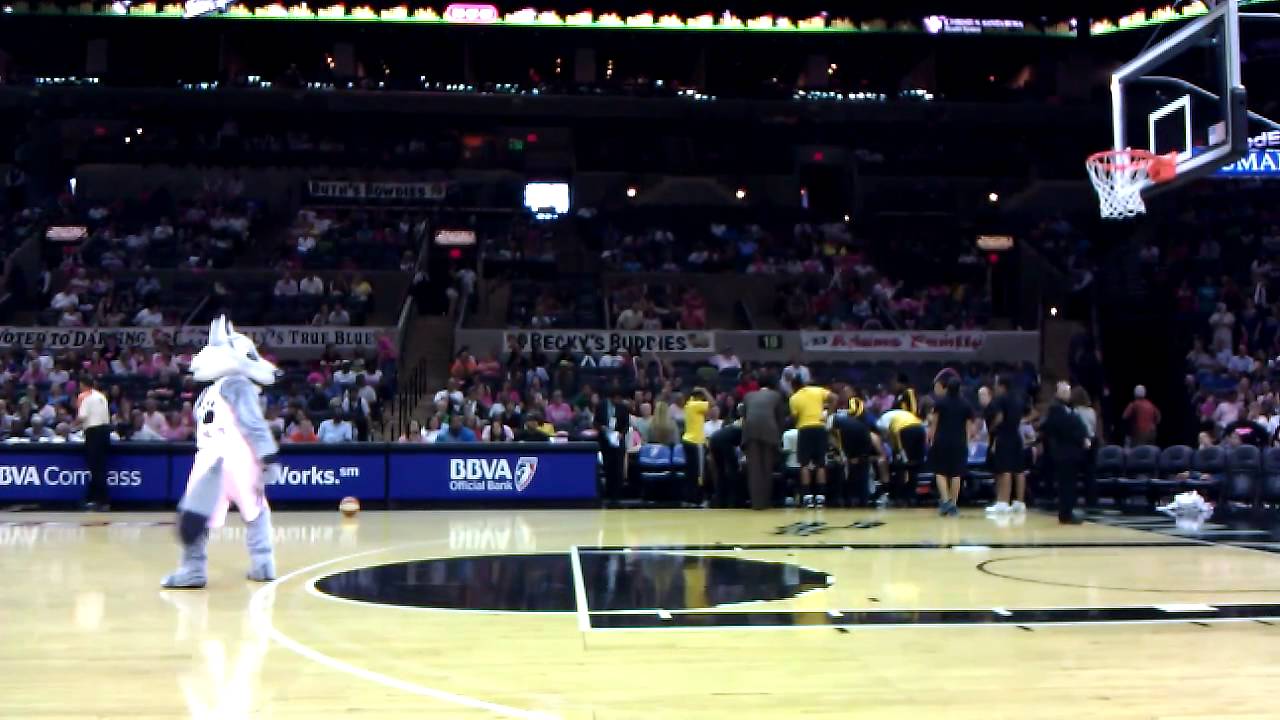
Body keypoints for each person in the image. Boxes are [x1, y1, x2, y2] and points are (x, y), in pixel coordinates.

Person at [1043, 382, 1090, 524]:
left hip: (1071, 451)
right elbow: (1066, 427)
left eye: (1068, 391)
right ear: (1057, 393)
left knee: (1069, 484)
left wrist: (1084, 436)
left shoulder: (1068, 409)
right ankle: (1066, 513)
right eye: (1063, 391)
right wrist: (1081, 437)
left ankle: (1067, 511)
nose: (1067, 394)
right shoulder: (1055, 409)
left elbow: (1078, 425)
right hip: (1064, 451)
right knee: (1066, 484)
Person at [928, 377, 973, 517]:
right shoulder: (966, 404)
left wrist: (931, 439)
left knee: (940, 472)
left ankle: (946, 501)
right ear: (960, 388)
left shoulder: (940, 402)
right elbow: (968, 427)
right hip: (959, 442)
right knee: (956, 473)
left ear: (947, 388)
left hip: (941, 441)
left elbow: (934, 423)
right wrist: (967, 442)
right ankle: (953, 504)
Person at [832, 395, 888, 507]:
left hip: (867, 460)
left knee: (868, 466)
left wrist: (862, 458)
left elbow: (882, 455)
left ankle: (881, 492)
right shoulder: (845, 429)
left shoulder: (871, 433)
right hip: (853, 459)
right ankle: (850, 497)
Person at [741, 376, 787, 510]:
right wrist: (779, 437)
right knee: (767, 467)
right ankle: (765, 502)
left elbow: (744, 416)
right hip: (769, 430)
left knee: (754, 469)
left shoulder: (748, 395)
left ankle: (756, 503)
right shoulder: (776, 396)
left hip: (750, 430)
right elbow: (780, 419)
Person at [789, 377, 833, 508]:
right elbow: (835, 398)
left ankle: (807, 496)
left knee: (804, 464)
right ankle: (820, 497)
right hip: (820, 428)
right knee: (820, 464)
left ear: (793, 387)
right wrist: (828, 414)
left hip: (805, 429)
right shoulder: (817, 390)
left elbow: (794, 417)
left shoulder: (794, 398)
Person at [986, 377, 1027, 515]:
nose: (995, 387)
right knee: (1019, 470)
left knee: (1005, 469)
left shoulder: (1001, 399)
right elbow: (1030, 413)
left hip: (1004, 435)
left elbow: (999, 417)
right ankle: (1019, 503)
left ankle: (1003, 502)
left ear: (1002, 386)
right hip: (1016, 435)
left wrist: (992, 428)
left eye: (996, 385)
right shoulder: (1018, 399)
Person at [874, 408, 927, 506]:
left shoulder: (879, 423)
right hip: (920, 428)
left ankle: (899, 497)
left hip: (905, 430)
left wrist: (897, 453)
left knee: (901, 465)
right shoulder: (897, 415)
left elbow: (888, 438)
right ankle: (912, 497)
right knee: (915, 464)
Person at [75, 374, 111, 511]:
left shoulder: (85, 396)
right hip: (105, 432)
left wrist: (72, 425)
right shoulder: (101, 396)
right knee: (100, 468)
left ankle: (102, 501)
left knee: (95, 469)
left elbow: (82, 416)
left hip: (94, 433)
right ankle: (94, 499)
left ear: (83, 385)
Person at [1070, 386, 1101, 509]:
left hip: (1080, 443)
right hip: (1092, 442)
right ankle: (1092, 501)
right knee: (1090, 474)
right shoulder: (1092, 411)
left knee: (1074, 473)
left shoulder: (1074, 412)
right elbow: (1093, 427)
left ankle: (1073, 500)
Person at [681, 387, 712, 505]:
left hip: (688, 440)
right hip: (696, 442)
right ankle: (697, 500)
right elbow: (713, 404)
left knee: (691, 472)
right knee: (699, 474)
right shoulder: (696, 404)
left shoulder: (689, 404)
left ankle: (689, 499)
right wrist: (705, 390)